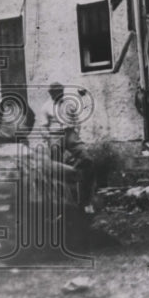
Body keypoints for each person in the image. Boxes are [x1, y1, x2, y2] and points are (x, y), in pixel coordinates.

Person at [39, 82, 96, 213]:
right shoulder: (46, 107)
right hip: (55, 136)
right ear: (51, 94)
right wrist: (49, 139)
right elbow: (43, 126)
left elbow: (77, 120)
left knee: (88, 160)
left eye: (62, 92)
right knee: (56, 166)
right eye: (56, 93)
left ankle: (86, 201)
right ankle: (60, 203)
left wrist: (76, 134)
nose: (60, 95)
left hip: (70, 134)